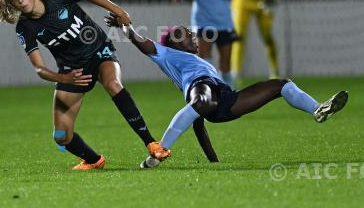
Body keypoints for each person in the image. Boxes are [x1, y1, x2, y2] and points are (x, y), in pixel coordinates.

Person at [0, 0, 163, 170]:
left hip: (99, 51)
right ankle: (94, 160)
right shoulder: (25, 28)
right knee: (61, 136)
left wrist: (119, 11)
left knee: (112, 84)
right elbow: (39, 69)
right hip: (73, 72)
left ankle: (152, 144)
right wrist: (64, 79)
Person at [104, 13, 348, 167]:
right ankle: (159, 152)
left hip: (225, 101)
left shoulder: (201, 64)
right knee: (200, 102)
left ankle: (318, 109)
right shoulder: (168, 54)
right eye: (184, 33)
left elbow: (198, 125)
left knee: (281, 84)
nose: (191, 35)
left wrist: (213, 161)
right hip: (202, 91)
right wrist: (124, 26)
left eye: (190, 32)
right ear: (174, 43)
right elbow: (139, 41)